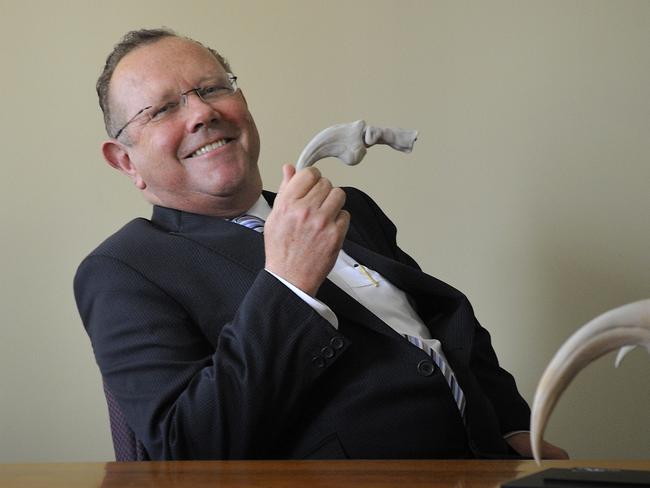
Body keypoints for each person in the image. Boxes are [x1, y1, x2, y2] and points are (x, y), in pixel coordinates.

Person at [75, 28, 568, 461]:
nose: (202, 112)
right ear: (124, 161)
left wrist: (510, 424)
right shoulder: (122, 270)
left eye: (212, 88)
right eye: (162, 109)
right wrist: (288, 284)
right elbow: (188, 447)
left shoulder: (348, 207)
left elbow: (441, 322)